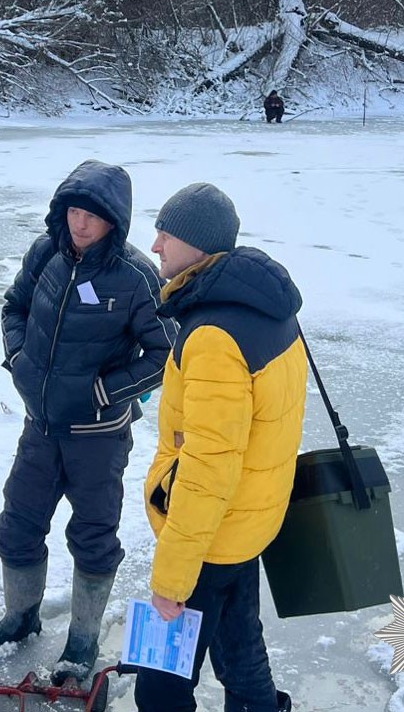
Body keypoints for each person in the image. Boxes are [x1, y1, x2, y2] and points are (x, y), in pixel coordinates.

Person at [0, 159, 175, 685]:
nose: (81, 225)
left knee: (94, 536)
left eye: (93, 216)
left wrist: (104, 391)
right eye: (74, 212)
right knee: (17, 526)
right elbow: (14, 307)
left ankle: (82, 639)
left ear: (115, 223)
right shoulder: (46, 253)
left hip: (98, 439)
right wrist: (18, 359)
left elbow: (165, 351)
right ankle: (19, 618)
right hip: (41, 425)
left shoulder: (134, 277)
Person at [135, 183, 306, 712]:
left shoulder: (213, 334)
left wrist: (172, 579)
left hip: (209, 533)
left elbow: (209, 468)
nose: (156, 245)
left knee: (161, 684)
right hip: (248, 522)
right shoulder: (267, 307)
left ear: (199, 246)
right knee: (238, 645)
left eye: (168, 234)